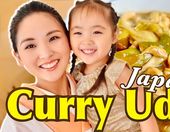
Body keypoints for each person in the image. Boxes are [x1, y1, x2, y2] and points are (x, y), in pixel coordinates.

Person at [68, 0, 159, 131]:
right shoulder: (76, 73)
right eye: (78, 33)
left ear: (114, 35)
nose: (86, 41)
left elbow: (146, 118)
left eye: (97, 32)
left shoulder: (118, 72)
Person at [1, 1, 90, 132]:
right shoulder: (18, 122)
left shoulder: (95, 84)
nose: (46, 54)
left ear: (69, 40)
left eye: (53, 38)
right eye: (30, 46)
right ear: (18, 57)